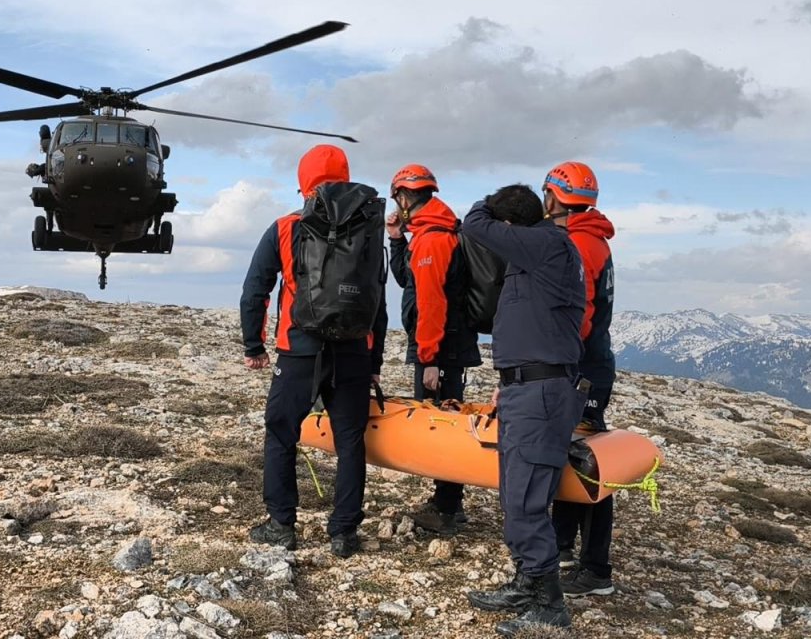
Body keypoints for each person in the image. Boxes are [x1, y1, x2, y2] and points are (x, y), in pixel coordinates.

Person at [239, 144, 387, 559]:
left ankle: (281, 524)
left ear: (304, 182)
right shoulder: (369, 229)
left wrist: (254, 344)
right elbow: (377, 300)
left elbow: (255, 291)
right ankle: (343, 533)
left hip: (299, 350)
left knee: (282, 435)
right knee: (350, 441)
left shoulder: (286, 227)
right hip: (355, 351)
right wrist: (374, 361)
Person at [460, 183, 587, 635]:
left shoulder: (546, 243)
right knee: (516, 494)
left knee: (526, 499)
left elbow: (474, 224)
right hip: (525, 388)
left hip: (541, 394)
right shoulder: (539, 250)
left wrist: (485, 203)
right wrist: (509, 382)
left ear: (512, 226)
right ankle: (526, 580)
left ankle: (551, 608)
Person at [385, 163, 482, 536]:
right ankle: (446, 502)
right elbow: (408, 281)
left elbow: (431, 304)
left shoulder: (434, 239)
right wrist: (396, 240)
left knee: (441, 422)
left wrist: (429, 359)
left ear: (406, 197)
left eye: (398, 197)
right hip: (444, 346)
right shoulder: (426, 235)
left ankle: (447, 508)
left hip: (442, 348)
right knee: (443, 416)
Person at [542, 162, 618, 597]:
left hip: (582, 369)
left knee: (588, 461)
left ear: (554, 197)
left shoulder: (580, 246)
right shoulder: (591, 240)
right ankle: (562, 545)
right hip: (590, 366)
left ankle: (596, 569)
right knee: (569, 452)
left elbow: (579, 318)